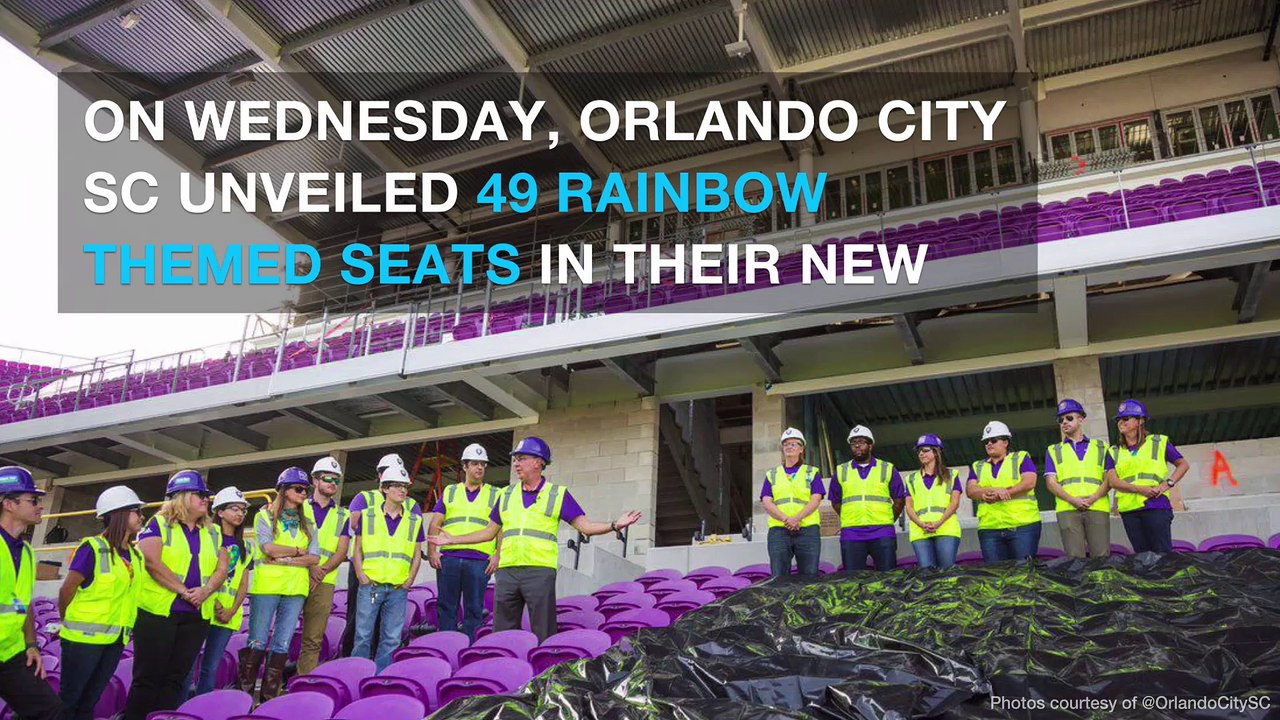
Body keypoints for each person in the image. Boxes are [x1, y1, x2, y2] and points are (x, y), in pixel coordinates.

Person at [427, 437, 641, 642]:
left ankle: (541, 676)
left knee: (542, 630)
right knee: (501, 634)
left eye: (522, 459)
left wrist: (614, 525)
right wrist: (453, 540)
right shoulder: (506, 495)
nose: (516, 464)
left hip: (539, 571)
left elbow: (585, 526)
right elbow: (489, 532)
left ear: (538, 463)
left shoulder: (557, 494)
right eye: (515, 459)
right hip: (508, 572)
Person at [126, 470, 229, 720]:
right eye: (199, 494)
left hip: (195, 616)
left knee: (175, 679)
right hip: (158, 614)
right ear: (180, 497)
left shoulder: (213, 531)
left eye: (206, 495)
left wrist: (205, 591)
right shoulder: (158, 524)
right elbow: (152, 562)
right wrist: (184, 591)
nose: (206, 499)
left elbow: (222, 568)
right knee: (148, 679)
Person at [58, 486, 144, 720]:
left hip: (115, 640)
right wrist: (68, 619)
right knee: (69, 701)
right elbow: (67, 590)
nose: (142, 516)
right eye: (137, 511)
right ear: (120, 514)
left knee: (89, 702)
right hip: (82, 641)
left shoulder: (135, 555)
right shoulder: (92, 548)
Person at [241, 467, 318, 702]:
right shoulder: (263, 516)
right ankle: (244, 698)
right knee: (258, 640)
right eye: (298, 488)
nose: (304, 493)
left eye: (306, 489)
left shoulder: (309, 522)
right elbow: (267, 548)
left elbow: (314, 558)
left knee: (282, 642)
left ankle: (268, 698)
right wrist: (296, 552)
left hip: (295, 589)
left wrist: (282, 559)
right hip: (267, 587)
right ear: (283, 491)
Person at [341, 453, 421, 657]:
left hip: (397, 587)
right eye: (397, 485)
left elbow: (416, 552)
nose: (403, 490)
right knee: (363, 636)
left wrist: (409, 580)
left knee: (391, 639)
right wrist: (361, 575)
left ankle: (381, 683)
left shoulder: (413, 517)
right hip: (371, 584)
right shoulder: (367, 511)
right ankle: (357, 677)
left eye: (405, 486)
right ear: (384, 486)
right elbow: (357, 547)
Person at [0, 466, 61, 720]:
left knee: (51, 711)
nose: (40, 506)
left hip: (10, 654)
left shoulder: (26, 552)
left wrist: (32, 644)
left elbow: (20, 604)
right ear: (9, 504)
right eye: (33, 500)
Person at [428, 444, 500, 640]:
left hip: (479, 560)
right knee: (446, 607)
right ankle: (446, 647)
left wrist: (497, 554)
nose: (480, 468)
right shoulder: (450, 491)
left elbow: (502, 527)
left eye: (483, 464)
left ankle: (469, 650)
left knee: (474, 609)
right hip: (449, 558)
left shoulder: (496, 494)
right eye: (475, 464)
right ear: (465, 466)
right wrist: (432, 552)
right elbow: (435, 523)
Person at [188, 487, 251, 697]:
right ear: (220, 511)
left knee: (211, 668)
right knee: (188, 666)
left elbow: (243, 583)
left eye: (243, 510)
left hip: (227, 616)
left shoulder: (247, 547)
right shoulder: (206, 537)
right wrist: (212, 601)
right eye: (235, 508)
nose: (240, 514)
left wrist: (231, 610)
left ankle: (202, 708)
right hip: (203, 608)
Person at [1111, 399, 1189, 554]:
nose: (1121, 422)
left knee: (1162, 555)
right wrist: (1137, 491)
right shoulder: (1114, 451)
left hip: (1156, 505)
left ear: (1140, 421)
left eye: (1126, 418)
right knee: (1142, 557)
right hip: (1129, 511)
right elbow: (1114, 481)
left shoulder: (1158, 442)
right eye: (1119, 419)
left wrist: (1167, 484)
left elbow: (1183, 465)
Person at [1045, 399, 1117, 559]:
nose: (1064, 422)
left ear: (1081, 419)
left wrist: (1094, 498)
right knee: (1074, 559)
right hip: (1067, 509)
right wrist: (1073, 500)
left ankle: (1101, 585)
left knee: (1101, 557)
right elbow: (1051, 482)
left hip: (1097, 506)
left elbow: (1109, 479)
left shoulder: (1101, 447)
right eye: (1060, 420)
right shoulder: (1053, 450)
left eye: (1069, 418)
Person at [298, 456, 350, 675]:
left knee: (313, 638)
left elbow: (341, 551)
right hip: (295, 576)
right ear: (315, 481)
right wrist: (311, 568)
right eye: (328, 478)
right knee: (281, 638)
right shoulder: (297, 507)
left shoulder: (343, 514)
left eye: (336, 480)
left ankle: (301, 684)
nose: (333, 484)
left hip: (324, 581)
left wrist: (320, 571)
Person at [830, 425, 907, 572]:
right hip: (852, 533)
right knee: (853, 581)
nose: (857, 446)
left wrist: (889, 519)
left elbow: (899, 500)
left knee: (887, 579)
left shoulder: (887, 468)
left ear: (870, 445)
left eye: (861, 442)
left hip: (882, 531)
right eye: (853, 443)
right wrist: (851, 516)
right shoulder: (841, 471)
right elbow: (835, 501)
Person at [967, 421, 1041, 563]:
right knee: (996, 576)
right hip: (990, 529)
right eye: (986, 441)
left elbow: (1030, 482)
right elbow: (970, 490)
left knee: (1023, 573)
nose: (989, 444)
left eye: (993, 440)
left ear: (1005, 442)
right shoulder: (978, 466)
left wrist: (1006, 492)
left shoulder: (1020, 458)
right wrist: (992, 491)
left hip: (1022, 526)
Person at [759, 428, 824, 577]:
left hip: (807, 530)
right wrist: (786, 519)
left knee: (809, 577)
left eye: (793, 444)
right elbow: (767, 502)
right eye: (786, 444)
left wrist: (797, 518)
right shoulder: (772, 474)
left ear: (801, 449)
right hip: (779, 531)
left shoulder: (811, 472)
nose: (789, 447)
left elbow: (816, 499)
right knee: (779, 577)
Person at [903, 435, 962, 569]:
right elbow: (909, 507)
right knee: (926, 573)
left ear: (936, 452)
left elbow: (954, 503)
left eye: (925, 450)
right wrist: (921, 524)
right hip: (920, 531)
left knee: (946, 572)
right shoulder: (910, 479)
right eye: (919, 451)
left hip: (946, 529)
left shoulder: (952, 475)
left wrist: (938, 523)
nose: (921, 453)